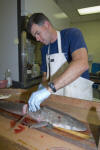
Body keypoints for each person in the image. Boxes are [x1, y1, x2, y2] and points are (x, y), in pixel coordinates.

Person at [27, 13, 93, 112]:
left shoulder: (72, 34)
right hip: (59, 102)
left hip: (80, 102)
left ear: (46, 25)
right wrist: (40, 89)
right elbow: (46, 77)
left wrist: (49, 89)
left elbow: (81, 63)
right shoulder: (45, 49)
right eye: (34, 36)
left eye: (37, 33)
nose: (37, 39)